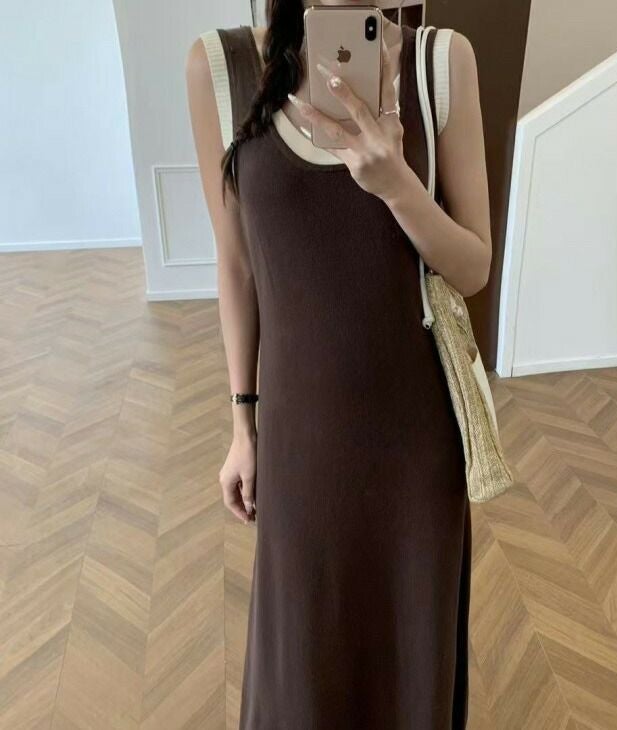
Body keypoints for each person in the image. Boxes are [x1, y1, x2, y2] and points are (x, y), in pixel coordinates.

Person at [186, 1, 492, 727]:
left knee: (409, 653)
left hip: (417, 442)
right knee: (302, 657)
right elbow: (236, 266)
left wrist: (398, 186)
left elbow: (473, 267)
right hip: (300, 438)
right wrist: (242, 424)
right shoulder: (223, 68)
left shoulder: (440, 62)